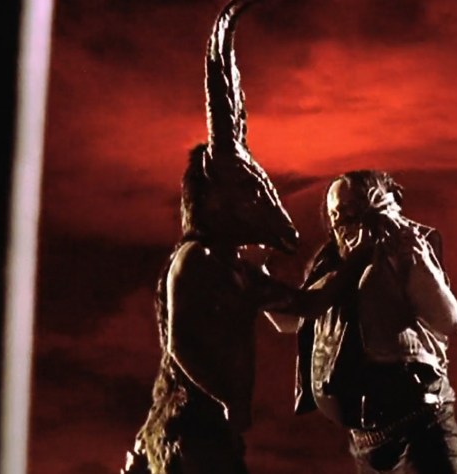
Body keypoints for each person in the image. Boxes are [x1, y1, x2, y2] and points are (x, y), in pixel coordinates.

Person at [119, 2, 362, 472]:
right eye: (247, 198)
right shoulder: (196, 259)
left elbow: (306, 305)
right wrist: (227, 398)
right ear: (216, 200)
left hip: (216, 432)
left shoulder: (234, 269)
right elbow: (182, 346)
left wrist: (357, 259)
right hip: (188, 429)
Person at [266, 170, 457, 473]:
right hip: (367, 444)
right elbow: (291, 318)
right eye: (334, 214)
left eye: (349, 210)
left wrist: (416, 258)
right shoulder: (331, 265)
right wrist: (254, 271)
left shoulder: (401, 249)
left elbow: (448, 320)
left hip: (420, 431)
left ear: (375, 206)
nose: (340, 221)